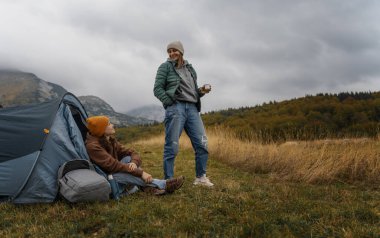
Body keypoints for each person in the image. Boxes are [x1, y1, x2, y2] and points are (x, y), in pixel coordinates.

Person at [154, 40, 214, 187]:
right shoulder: (165, 67)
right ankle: (168, 180)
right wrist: (170, 101)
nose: (172, 53)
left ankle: (201, 178)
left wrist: (201, 91)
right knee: (172, 146)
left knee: (202, 144)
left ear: (181, 51)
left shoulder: (190, 69)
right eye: (169, 51)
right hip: (176, 108)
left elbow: (192, 93)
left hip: (193, 108)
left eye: (174, 50)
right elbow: (157, 89)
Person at [85, 115, 184, 195]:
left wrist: (134, 163)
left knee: (128, 158)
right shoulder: (93, 147)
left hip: (115, 173)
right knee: (126, 171)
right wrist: (141, 173)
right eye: (109, 124)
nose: (112, 125)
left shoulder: (109, 140)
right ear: (101, 129)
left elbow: (132, 152)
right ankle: (163, 184)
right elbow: (113, 165)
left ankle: (147, 187)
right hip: (108, 179)